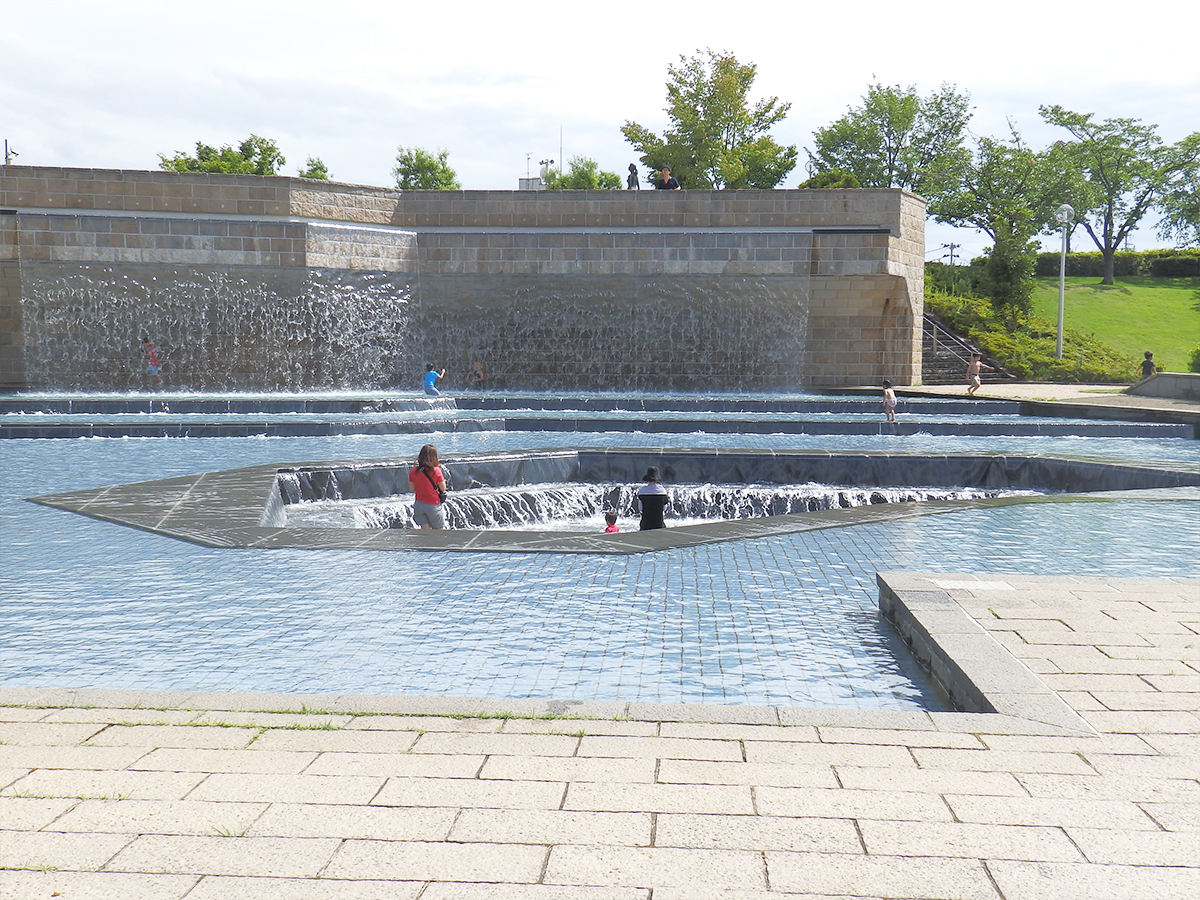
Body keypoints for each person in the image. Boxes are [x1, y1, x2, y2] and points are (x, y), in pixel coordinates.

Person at [409, 443, 448, 530]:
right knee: (439, 533)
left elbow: (412, 489)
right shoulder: (436, 471)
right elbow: (443, 488)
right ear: (434, 457)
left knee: (426, 533)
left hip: (419, 505)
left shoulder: (413, 470)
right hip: (433, 505)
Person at [636, 466, 668, 531]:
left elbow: (640, 509)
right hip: (659, 525)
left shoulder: (642, 491)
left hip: (645, 524)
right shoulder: (663, 491)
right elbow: (664, 509)